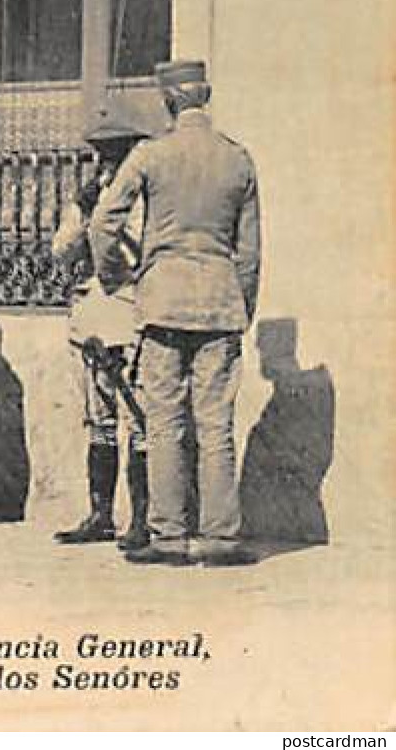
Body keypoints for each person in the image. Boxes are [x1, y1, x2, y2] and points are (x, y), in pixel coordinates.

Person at [92, 60, 261, 567]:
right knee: (216, 425)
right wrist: (241, 306)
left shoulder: (151, 155)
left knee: (163, 421)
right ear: (204, 99)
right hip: (219, 303)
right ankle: (220, 539)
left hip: (162, 301)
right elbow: (250, 253)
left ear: (169, 101)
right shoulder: (238, 158)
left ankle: (168, 538)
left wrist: (114, 277)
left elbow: (103, 222)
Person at [51, 107, 154, 549]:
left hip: (129, 310)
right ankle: (101, 514)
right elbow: (61, 250)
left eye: (117, 152)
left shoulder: (147, 199)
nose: (108, 161)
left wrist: (109, 225)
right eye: (102, 153)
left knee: (139, 417)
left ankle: (143, 519)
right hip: (91, 313)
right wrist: (86, 216)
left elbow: (141, 251)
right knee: (99, 419)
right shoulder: (89, 196)